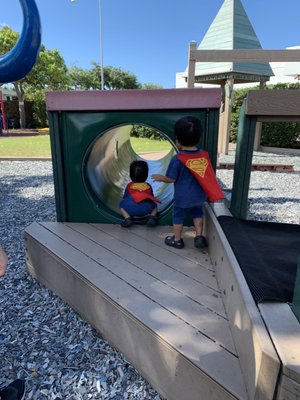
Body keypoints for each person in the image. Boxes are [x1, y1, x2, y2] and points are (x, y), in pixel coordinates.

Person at [152, 116, 224, 249]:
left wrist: (160, 177)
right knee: (197, 214)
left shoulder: (178, 159)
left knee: (177, 216)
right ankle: (199, 237)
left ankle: (177, 239)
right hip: (198, 197)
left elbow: (171, 179)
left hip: (181, 197)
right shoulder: (203, 155)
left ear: (178, 141)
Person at [119, 160, 161, 228]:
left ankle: (127, 218)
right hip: (146, 210)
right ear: (146, 175)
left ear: (130, 175)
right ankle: (152, 217)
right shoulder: (148, 186)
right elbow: (151, 198)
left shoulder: (129, 185)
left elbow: (125, 197)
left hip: (130, 209)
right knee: (154, 206)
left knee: (121, 205)